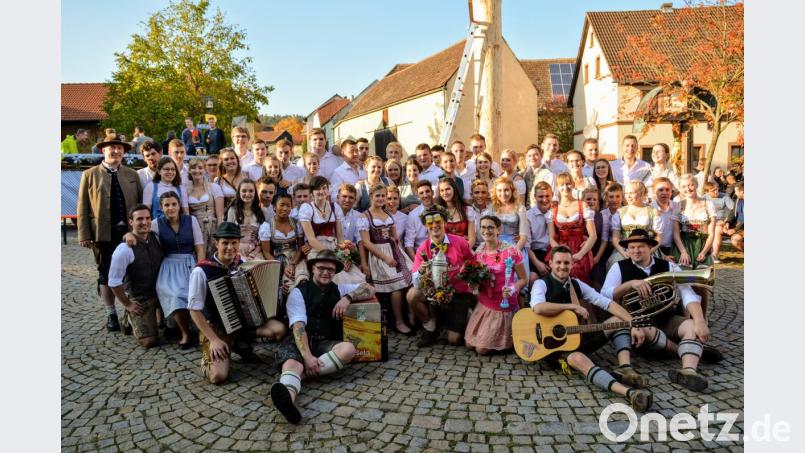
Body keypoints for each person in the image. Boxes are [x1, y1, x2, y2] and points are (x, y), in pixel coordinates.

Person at [532, 246, 653, 411]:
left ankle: (625, 368)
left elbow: (605, 302)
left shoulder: (576, 284)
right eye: (558, 262)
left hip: (576, 337)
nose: (562, 266)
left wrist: (633, 323)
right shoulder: (541, 283)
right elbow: (538, 308)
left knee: (619, 319)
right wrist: (571, 307)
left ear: (572, 264)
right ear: (551, 263)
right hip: (551, 347)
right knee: (578, 359)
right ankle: (629, 393)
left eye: (566, 262)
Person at [269, 250, 375, 423]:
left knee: (348, 349)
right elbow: (298, 327)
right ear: (313, 269)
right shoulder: (298, 292)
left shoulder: (340, 289)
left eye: (331, 269)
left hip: (324, 342)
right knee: (291, 364)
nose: (326, 272)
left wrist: (348, 297)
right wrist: (308, 356)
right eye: (321, 268)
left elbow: (370, 288)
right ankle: (288, 400)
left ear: (335, 272)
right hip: (299, 341)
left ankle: (299, 378)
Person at [602, 230, 712, 392]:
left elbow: (687, 292)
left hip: (666, 319)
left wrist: (700, 321)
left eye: (640, 246)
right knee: (646, 329)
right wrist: (631, 283)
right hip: (639, 324)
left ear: (650, 248)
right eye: (631, 247)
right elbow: (605, 295)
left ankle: (688, 371)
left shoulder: (668, 266)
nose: (635, 251)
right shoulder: (619, 267)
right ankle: (687, 350)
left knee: (691, 326)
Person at [188, 222, 288, 384]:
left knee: (278, 329)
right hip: (217, 328)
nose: (230, 247)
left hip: (242, 325)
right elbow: (194, 310)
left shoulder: (242, 264)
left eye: (234, 242)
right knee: (218, 376)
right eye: (225, 243)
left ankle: (238, 343)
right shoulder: (201, 271)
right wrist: (213, 339)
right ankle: (212, 355)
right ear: (216, 244)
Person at [78, 133, 143, 331]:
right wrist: (84, 234)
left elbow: (140, 203)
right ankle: (110, 313)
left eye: (119, 148)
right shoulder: (89, 175)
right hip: (103, 234)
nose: (115, 151)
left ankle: (130, 314)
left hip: (129, 233)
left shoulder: (132, 175)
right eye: (111, 148)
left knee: (131, 274)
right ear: (102, 151)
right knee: (106, 275)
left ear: (124, 151)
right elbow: (82, 207)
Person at [125, 191, 205, 348]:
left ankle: (199, 329)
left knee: (193, 294)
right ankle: (185, 333)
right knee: (174, 295)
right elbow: (139, 230)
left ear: (179, 205)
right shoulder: (156, 223)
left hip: (190, 262)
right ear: (161, 208)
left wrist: (200, 269)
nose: (171, 208)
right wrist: (128, 234)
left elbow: (200, 248)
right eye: (166, 205)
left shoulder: (191, 220)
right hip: (168, 265)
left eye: (174, 204)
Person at [407, 206, 477, 348]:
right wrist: (421, 271)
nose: (434, 226)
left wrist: (468, 275)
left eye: (438, 221)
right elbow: (415, 282)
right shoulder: (422, 249)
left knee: (454, 340)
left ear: (445, 222)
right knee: (412, 295)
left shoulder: (460, 242)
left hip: (459, 293)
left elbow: (473, 264)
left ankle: (463, 316)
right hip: (435, 294)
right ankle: (430, 328)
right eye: (430, 223)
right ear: (426, 225)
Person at [465, 215, 527, 354]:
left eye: (490, 227)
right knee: (469, 345)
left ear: (498, 229)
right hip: (484, 303)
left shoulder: (511, 251)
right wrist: (473, 283)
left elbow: (524, 279)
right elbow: (476, 279)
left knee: (481, 349)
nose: (486, 231)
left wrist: (512, 289)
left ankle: (507, 340)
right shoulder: (479, 252)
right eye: (483, 227)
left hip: (502, 304)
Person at [359, 183, 414, 334]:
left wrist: (396, 244)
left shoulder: (389, 215)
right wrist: (385, 258)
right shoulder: (365, 216)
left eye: (383, 196)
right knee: (396, 287)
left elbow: (395, 236)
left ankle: (412, 314)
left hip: (394, 251)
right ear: (371, 197)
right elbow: (366, 242)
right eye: (378, 196)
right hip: (378, 254)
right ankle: (399, 321)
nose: (381, 198)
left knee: (412, 279)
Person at [108, 205, 164, 348]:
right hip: (141, 297)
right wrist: (127, 303)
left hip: (161, 293)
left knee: (174, 328)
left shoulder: (156, 236)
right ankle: (127, 318)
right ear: (131, 222)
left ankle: (159, 318)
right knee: (149, 342)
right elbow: (113, 281)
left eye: (147, 218)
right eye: (139, 219)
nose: (144, 222)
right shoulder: (124, 250)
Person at [298, 176, 366, 285]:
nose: (321, 191)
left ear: (328, 189)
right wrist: (333, 257)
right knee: (334, 278)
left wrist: (344, 256)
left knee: (356, 278)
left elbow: (340, 239)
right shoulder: (307, 208)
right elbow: (311, 239)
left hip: (334, 247)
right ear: (312, 192)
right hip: (317, 249)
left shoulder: (335, 207)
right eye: (317, 189)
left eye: (324, 188)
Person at [546, 172, 597, 285]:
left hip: (579, 248)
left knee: (580, 281)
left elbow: (593, 236)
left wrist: (581, 254)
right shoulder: (553, 208)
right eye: (562, 185)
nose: (565, 187)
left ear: (573, 185)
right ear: (558, 187)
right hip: (560, 247)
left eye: (568, 184)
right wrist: (560, 252)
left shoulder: (582, 205)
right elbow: (551, 238)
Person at [260, 193, 307, 307]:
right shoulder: (267, 226)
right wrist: (283, 266)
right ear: (274, 206)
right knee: (286, 284)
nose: (285, 208)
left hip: (295, 257)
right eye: (282, 205)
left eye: (288, 205)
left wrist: (292, 264)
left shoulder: (296, 223)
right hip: (276, 259)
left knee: (302, 279)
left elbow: (300, 246)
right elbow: (266, 252)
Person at [607, 181, 662, 270]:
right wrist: (624, 253)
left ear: (641, 193)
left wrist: (649, 251)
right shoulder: (620, 212)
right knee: (616, 265)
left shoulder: (652, 211)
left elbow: (658, 237)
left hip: (647, 249)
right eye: (626, 193)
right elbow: (615, 238)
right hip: (625, 249)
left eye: (631, 193)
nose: (628, 196)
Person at [672, 173, 716, 269]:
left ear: (696, 185)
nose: (688, 189)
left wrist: (704, 252)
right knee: (683, 276)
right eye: (684, 186)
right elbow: (676, 234)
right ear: (680, 189)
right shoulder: (678, 206)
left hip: (703, 245)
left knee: (702, 277)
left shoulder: (708, 204)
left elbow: (711, 233)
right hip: (684, 245)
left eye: (690, 185)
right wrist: (683, 252)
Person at [488, 177, 529, 279]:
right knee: (496, 275)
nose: (503, 193)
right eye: (499, 190)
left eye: (506, 190)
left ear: (512, 191)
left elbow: (523, 236)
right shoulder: (491, 209)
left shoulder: (520, 208)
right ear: (495, 192)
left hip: (515, 245)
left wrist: (513, 252)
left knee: (516, 278)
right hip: (496, 245)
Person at [187, 157, 225, 259]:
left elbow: (220, 214)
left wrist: (220, 234)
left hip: (212, 226)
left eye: (200, 168)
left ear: (204, 170)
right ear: (189, 171)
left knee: (212, 254)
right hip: (194, 227)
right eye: (193, 168)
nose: (197, 171)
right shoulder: (186, 189)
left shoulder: (214, 187)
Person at [224, 179, 266, 261]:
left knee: (259, 267)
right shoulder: (232, 211)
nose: (247, 194)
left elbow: (263, 240)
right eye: (244, 191)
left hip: (255, 251)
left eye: (251, 191)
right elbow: (228, 235)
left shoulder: (262, 212)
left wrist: (254, 253)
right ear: (239, 193)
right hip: (235, 250)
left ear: (255, 193)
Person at [435, 177, 477, 248]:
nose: (445, 193)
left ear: (454, 189)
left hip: (465, 250)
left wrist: (462, 253)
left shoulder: (467, 210)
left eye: (447, 189)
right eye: (442, 190)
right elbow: (436, 239)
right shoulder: (437, 212)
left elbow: (472, 239)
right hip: (445, 252)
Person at [526, 182, 552, 281]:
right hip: (536, 253)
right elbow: (527, 245)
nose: (544, 200)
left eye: (547, 196)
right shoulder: (528, 216)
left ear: (552, 194)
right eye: (541, 196)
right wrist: (537, 263)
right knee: (532, 278)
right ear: (535, 197)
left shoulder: (557, 211)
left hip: (555, 252)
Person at [404, 181, 437, 259]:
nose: (425, 195)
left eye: (427, 191)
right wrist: (417, 262)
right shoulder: (413, 215)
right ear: (418, 195)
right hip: (422, 254)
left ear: (432, 192)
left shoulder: (442, 210)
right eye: (421, 193)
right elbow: (409, 243)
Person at [703, 181, 734, 264]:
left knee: (717, 230)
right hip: (708, 221)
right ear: (707, 192)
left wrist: (726, 221)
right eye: (713, 190)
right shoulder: (703, 198)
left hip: (721, 221)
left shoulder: (724, 197)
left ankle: (714, 256)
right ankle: (703, 254)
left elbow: (733, 209)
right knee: (707, 230)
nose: (716, 192)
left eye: (717, 189)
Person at [652, 178, 678, 261]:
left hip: (674, 248)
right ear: (654, 191)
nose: (664, 192)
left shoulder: (677, 206)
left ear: (671, 191)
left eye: (667, 189)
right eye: (660, 190)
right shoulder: (649, 208)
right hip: (654, 249)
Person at [523, 144, 554, 209]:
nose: (532, 158)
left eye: (536, 155)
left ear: (541, 156)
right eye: (529, 156)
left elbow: (551, 198)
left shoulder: (548, 174)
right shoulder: (525, 174)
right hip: (527, 212)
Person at [723, 182, 744, 252]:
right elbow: (732, 213)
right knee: (718, 228)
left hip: (742, 227)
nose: (735, 193)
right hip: (737, 226)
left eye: (736, 191)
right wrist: (728, 222)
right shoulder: (738, 200)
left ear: (742, 192)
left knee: (735, 240)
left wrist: (735, 229)